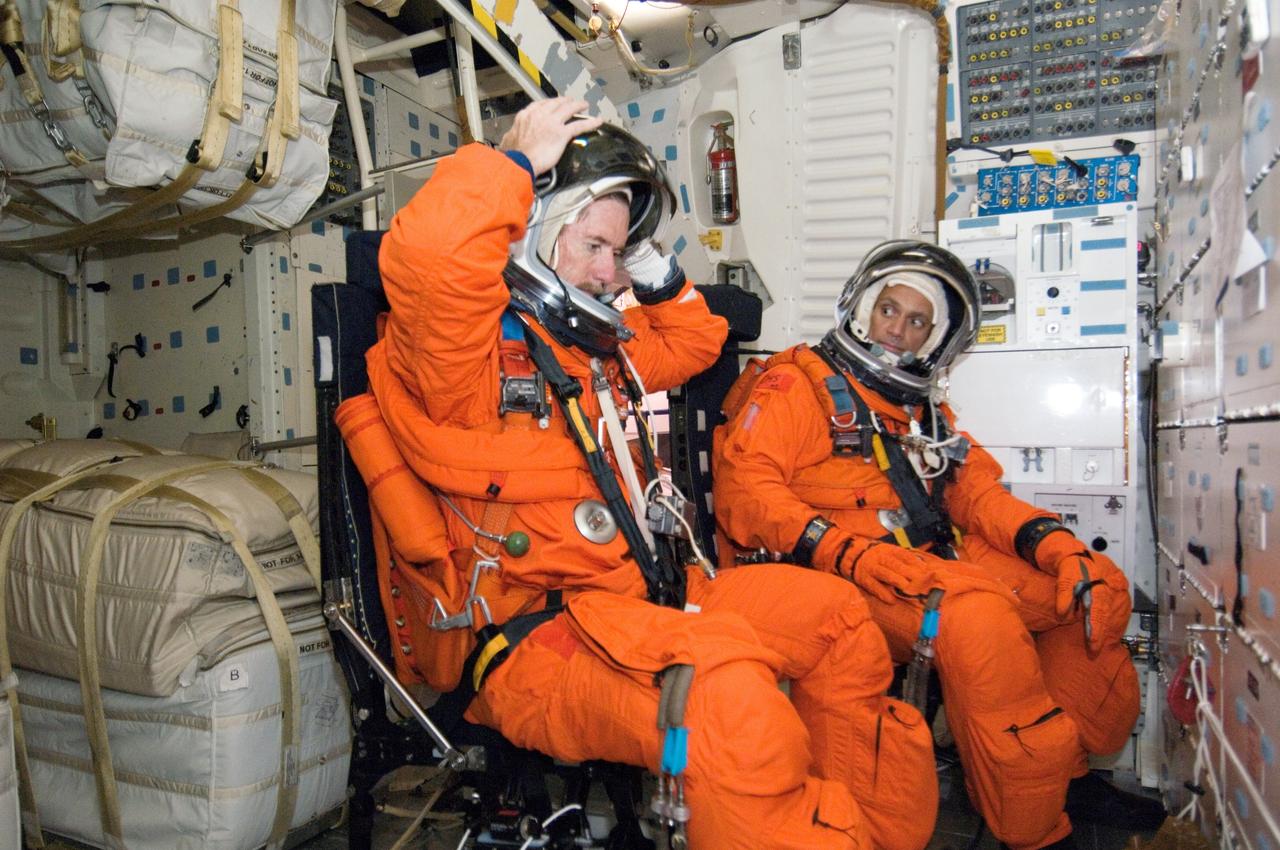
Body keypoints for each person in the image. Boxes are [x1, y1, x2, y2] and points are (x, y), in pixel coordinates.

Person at [358, 99, 938, 850]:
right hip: (541, 637)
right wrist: (512, 163)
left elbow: (698, 339)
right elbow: (431, 260)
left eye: (619, 254)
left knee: (839, 622)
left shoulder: (592, 358)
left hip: (648, 594)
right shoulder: (462, 369)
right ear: (535, 231)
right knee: (731, 704)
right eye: (597, 247)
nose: (609, 274)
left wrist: (650, 265)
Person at [712, 240, 1167, 850]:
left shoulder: (920, 410)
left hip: (918, 558)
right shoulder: (797, 385)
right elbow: (748, 492)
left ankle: (1065, 777)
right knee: (979, 624)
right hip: (830, 571)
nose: (897, 330)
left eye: (917, 320)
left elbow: (976, 495)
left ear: (935, 339)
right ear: (864, 309)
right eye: (890, 311)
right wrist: (846, 551)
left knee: (1078, 590)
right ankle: (1034, 830)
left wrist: (1056, 544)